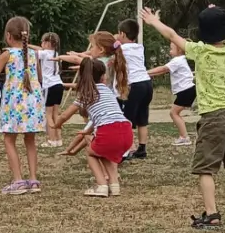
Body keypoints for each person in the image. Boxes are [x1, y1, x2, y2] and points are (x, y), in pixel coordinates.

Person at [140, 5, 225, 229]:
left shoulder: (200, 51)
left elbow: (172, 35)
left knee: (205, 168)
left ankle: (212, 214)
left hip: (213, 116)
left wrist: (153, 21)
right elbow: (223, 31)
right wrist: (216, 10)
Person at [0, 16, 45, 195]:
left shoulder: (7, 54)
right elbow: (39, 79)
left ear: (9, 36)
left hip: (14, 102)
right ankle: (33, 180)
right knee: (30, 140)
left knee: (9, 139)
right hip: (33, 101)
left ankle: (18, 180)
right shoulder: (33, 54)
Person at [55, 57, 133, 197]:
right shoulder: (108, 91)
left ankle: (102, 185)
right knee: (103, 152)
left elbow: (65, 115)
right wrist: (86, 131)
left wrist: (56, 124)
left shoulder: (85, 94)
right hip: (126, 131)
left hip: (109, 132)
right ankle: (114, 186)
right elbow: (103, 118)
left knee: (91, 152)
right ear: (103, 76)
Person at [113, 19, 153, 159]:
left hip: (134, 85)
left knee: (126, 119)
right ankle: (142, 148)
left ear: (122, 34)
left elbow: (110, 46)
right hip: (147, 83)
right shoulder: (139, 47)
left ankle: (126, 150)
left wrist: (115, 39)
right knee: (142, 117)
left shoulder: (121, 49)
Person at [148, 42, 196, 145]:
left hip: (186, 90)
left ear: (178, 50)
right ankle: (184, 136)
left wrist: (146, 72)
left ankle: (184, 137)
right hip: (187, 90)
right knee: (175, 113)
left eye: (171, 49)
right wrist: (150, 74)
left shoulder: (177, 61)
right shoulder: (180, 60)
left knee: (174, 113)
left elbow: (163, 69)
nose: (169, 51)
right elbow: (162, 71)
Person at [30, 33, 64, 148]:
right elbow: (40, 50)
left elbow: (35, 53)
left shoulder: (44, 54)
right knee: (56, 114)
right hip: (59, 84)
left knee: (48, 114)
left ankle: (51, 139)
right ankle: (59, 139)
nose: (41, 44)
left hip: (50, 85)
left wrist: (26, 45)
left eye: (43, 41)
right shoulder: (56, 53)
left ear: (48, 43)